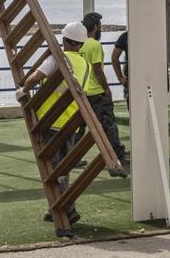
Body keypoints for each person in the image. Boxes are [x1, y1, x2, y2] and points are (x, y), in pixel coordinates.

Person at [17, 21, 93, 230]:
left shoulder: (56, 59)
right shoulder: (85, 65)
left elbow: (34, 78)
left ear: (64, 40)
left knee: (54, 170)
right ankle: (57, 208)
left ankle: (66, 208)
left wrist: (23, 91)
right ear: (81, 43)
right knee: (63, 169)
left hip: (50, 122)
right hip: (70, 123)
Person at [80, 12, 128, 171]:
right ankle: (118, 155)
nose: (100, 28)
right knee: (108, 125)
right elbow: (97, 70)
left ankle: (72, 156)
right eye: (99, 25)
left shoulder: (78, 44)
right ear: (94, 27)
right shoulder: (95, 45)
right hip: (96, 93)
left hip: (81, 92)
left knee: (79, 125)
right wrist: (107, 89)